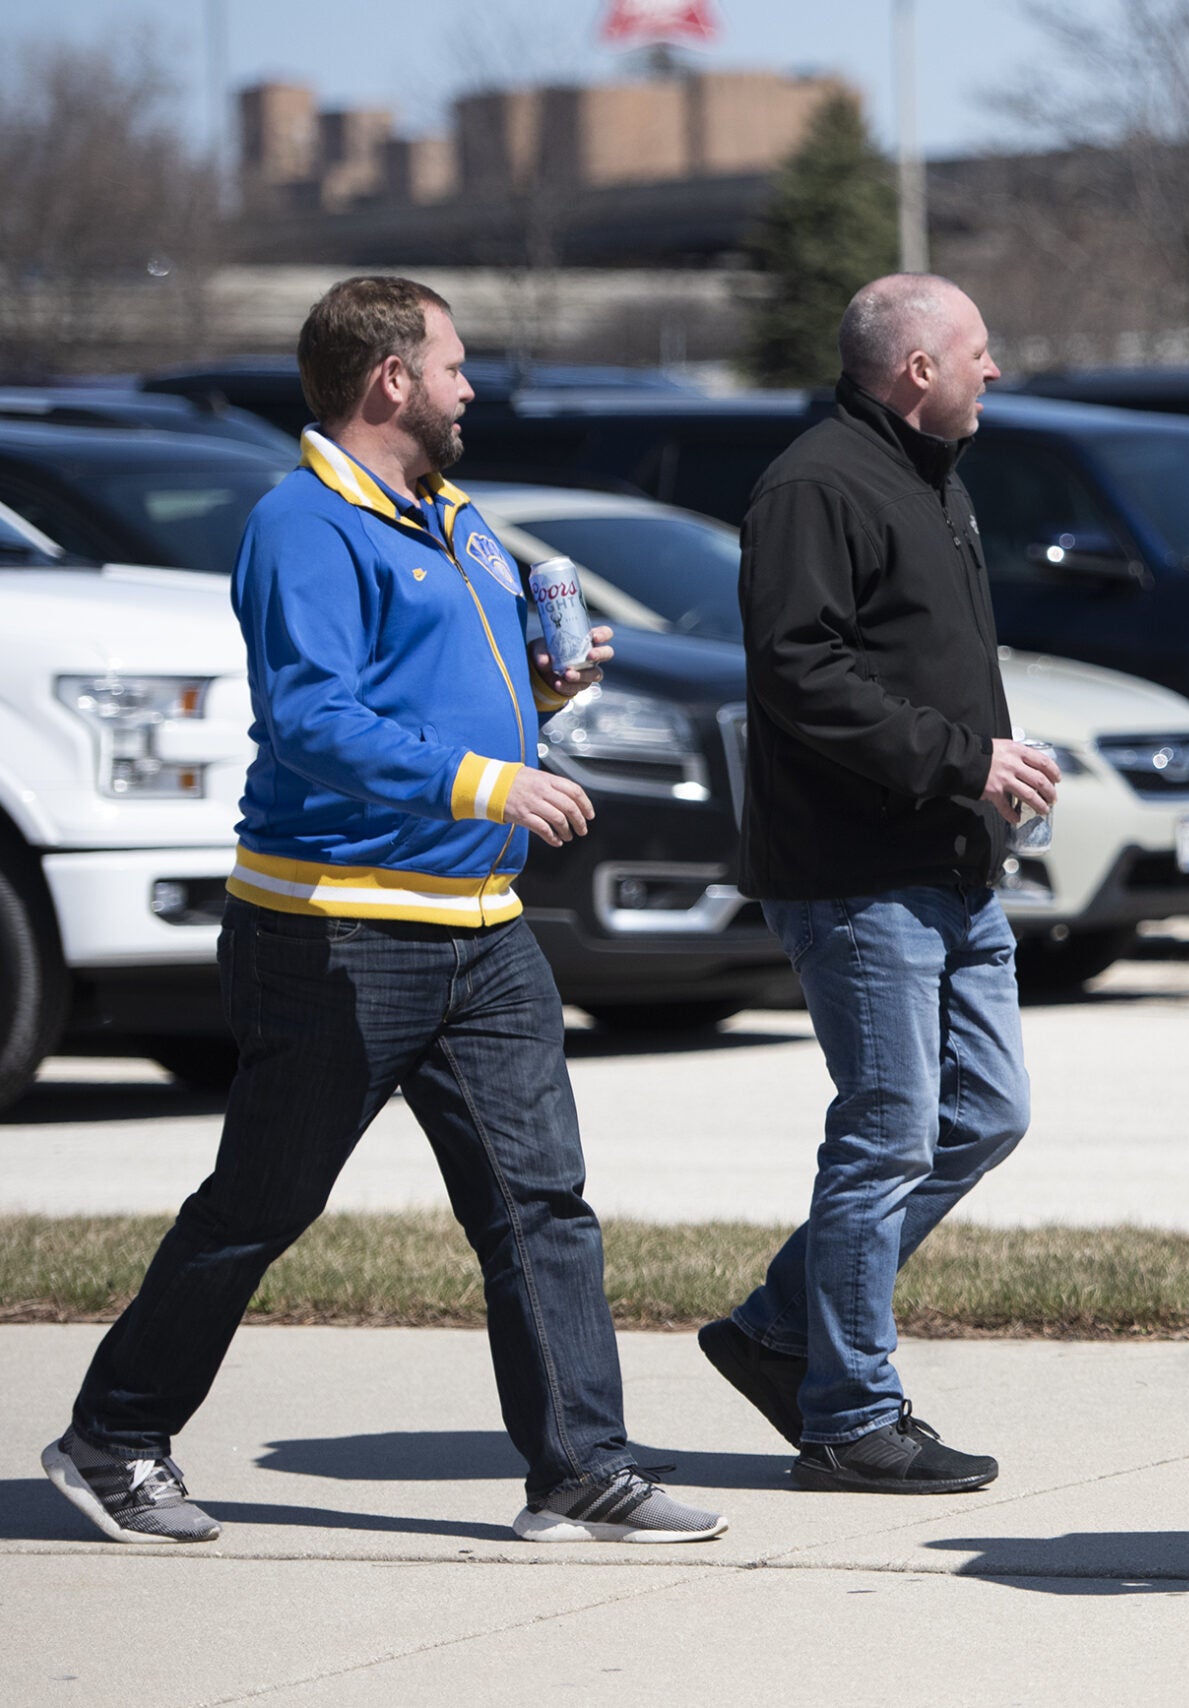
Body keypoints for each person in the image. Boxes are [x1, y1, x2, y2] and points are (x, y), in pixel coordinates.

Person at [44, 276, 726, 1546]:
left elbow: (443, 703)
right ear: (390, 381)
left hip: (482, 926)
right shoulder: (303, 525)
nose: (474, 388)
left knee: (542, 1204)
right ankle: (114, 1436)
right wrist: (488, 779)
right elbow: (310, 719)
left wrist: (545, 697)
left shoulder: (456, 517)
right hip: (335, 931)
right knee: (262, 1202)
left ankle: (579, 1466)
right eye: (455, 366)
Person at [693, 274, 1055, 1496]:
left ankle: (778, 1326)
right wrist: (966, 757)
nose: (992, 370)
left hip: (948, 860)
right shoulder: (814, 484)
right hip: (857, 881)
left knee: (984, 1115)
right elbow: (799, 674)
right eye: (978, 350)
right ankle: (850, 1416)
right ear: (915, 369)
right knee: (884, 1138)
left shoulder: (927, 477)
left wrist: (983, 778)